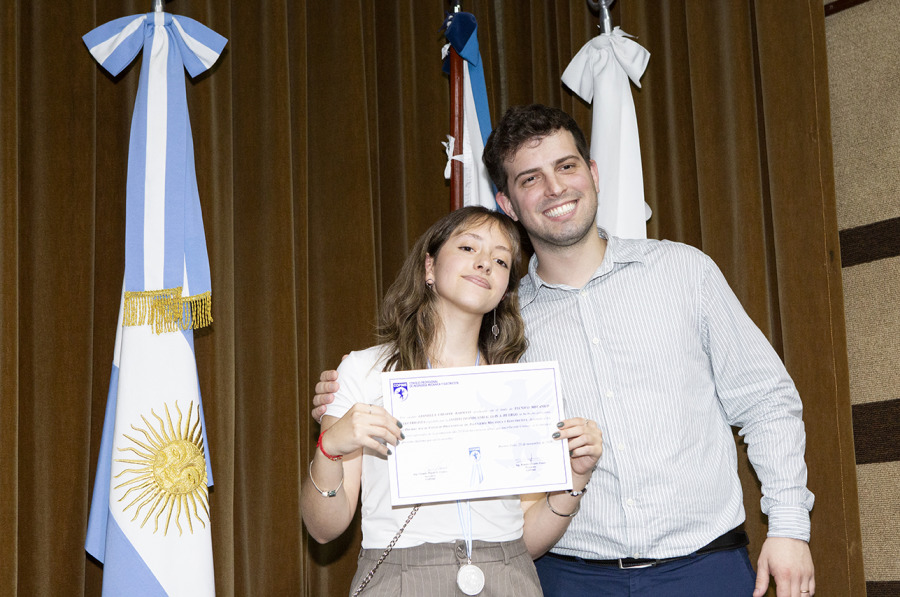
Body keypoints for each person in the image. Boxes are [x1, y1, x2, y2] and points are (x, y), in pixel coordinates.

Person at [313, 105, 816, 597]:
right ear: (508, 204)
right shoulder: (503, 332)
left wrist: (789, 526)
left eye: (566, 166)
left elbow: (766, 401)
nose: (554, 188)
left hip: (704, 568)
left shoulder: (684, 272)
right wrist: (343, 405)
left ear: (592, 173)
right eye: (530, 178)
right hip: (567, 577)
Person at [301, 206, 603, 597]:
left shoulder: (524, 389)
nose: (485, 263)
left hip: (508, 577)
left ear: (504, 289)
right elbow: (323, 529)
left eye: (500, 260)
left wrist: (575, 478)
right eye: (468, 247)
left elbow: (526, 539)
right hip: (402, 578)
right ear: (429, 267)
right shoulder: (364, 371)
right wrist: (329, 449)